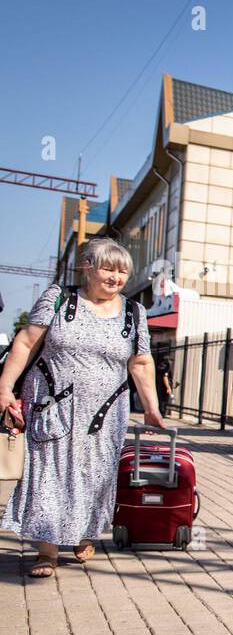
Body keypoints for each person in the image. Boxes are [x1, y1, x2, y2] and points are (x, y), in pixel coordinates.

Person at [1, 239, 165, 576]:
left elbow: (141, 362)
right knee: (49, 473)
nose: (115, 277)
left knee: (96, 475)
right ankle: (47, 550)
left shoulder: (134, 312)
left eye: (122, 272)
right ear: (87, 266)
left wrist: (151, 407)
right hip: (52, 406)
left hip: (105, 412)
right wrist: (4, 387)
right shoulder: (60, 299)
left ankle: (84, 532)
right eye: (108, 268)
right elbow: (27, 342)